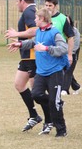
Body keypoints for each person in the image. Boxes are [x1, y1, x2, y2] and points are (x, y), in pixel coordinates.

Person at [8, 8, 69, 137]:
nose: (34, 19)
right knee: (36, 95)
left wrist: (46, 48)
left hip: (55, 72)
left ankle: (61, 131)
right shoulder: (39, 32)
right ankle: (57, 101)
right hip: (41, 72)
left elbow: (64, 48)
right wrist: (19, 44)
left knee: (53, 101)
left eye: (36, 18)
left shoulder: (54, 32)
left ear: (42, 19)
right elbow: (33, 42)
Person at [5, 0, 51, 134]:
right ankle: (34, 116)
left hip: (33, 57)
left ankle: (50, 120)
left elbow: (36, 30)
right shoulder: (30, 11)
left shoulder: (29, 12)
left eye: (17, 1)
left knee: (37, 92)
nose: (16, 4)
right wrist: (19, 43)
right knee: (19, 85)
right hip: (26, 57)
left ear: (23, 1)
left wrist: (17, 35)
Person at [44, 0, 75, 95]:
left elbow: (70, 37)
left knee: (57, 76)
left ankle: (59, 94)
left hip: (57, 53)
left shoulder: (62, 19)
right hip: (45, 53)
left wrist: (70, 54)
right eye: (46, 5)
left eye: (50, 5)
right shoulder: (43, 18)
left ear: (56, 6)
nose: (47, 7)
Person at [62, 16, 80, 95]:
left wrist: (69, 54)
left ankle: (65, 90)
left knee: (68, 71)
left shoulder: (75, 31)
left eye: (67, 20)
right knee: (65, 70)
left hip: (73, 53)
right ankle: (76, 87)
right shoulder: (61, 31)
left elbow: (75, 45)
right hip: (63, 54)